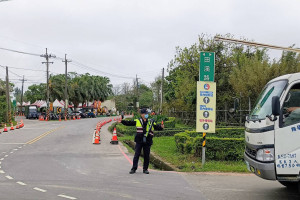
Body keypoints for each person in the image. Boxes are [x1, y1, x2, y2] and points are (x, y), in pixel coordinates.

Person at [121, 108, 164, 174]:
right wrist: (122, 121)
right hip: (139, 140)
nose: (146, 115)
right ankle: (134, 168)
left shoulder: (151, 121)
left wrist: (161, 127)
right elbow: (129, 123)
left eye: (147, 113)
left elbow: (157, 127)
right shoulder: (137, 120)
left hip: (148, 140)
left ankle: (145, 169)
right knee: (137, 155)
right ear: (141, 114)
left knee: (146, 155)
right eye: (145, 113)